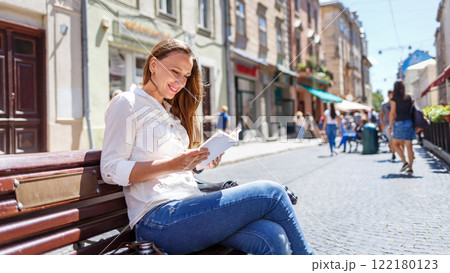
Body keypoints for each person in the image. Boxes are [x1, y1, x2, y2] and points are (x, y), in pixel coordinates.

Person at [100, 39, 313, 255]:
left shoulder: (169, 112)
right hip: (159, 219)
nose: (180, 81)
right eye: (175, 71)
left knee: (271, 234)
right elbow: (110, 169)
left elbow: (176, 168)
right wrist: (173, 164)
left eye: (185, 75)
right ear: (153, 65)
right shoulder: (127, 103)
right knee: (273, 193)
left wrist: (201, 162)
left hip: (191, 209)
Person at [389, 80, 415, 174]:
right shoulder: (408, 96)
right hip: (409, 122)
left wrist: (390, 126)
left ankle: (404, 162)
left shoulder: (394, 98)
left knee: (395, 144)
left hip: (399, 122)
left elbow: (392, 113)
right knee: (409, 146)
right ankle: (410, 168)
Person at [379, 90, 397, 161]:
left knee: (395, 139)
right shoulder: (384, 105)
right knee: (391, 139)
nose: (392, 96)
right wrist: (382, 123)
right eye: (390, 94)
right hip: (387, 124)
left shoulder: (396, 104)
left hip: (395, 124)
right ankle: (393, 153)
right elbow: (381, 115)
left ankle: (395, 151)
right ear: (388, 95)